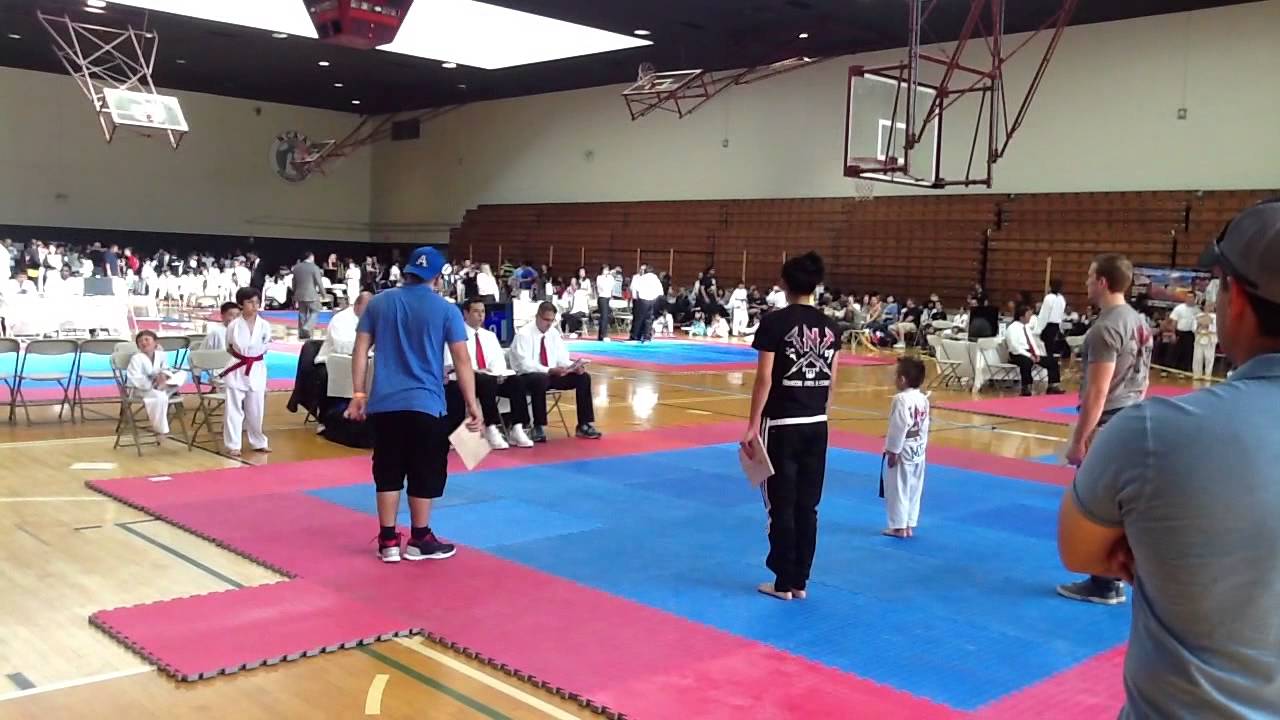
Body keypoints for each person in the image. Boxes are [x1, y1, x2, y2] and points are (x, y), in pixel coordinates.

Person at [1059, 200, 1280, 719]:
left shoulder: (1153, 429)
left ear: (1236, 299)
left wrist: (1082, 438)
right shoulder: (1137, 321)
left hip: (1127, 428)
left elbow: (1080, 549)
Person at [344, 247, 483, 563]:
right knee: (424, 470)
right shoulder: (446, 310)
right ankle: (420, 538)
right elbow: (462, 360)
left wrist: (359, 394)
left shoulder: (379, 302)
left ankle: (388, 540)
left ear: (407, 271)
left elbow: (360, 349)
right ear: (437, 277)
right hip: (426, 404)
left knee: (388, 469)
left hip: (385, 404)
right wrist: (472, 403)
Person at [1057, 253, 1152, 605]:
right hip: (1133, 414)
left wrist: (1080, 439)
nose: (1085, 284)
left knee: (1097, 503)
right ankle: (1115, 576)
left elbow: (1098, 391)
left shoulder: (1106, 329)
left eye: (1089, 277)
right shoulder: (1140, 322)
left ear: (1102, 282)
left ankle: (1104, 581)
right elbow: (1144, 379)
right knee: (1120, 502)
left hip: (1110, 418)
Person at [742, 252, 838, 601]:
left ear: (784, 283)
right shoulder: (832, 327)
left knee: (780, 504)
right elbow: (832, 380)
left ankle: (783, 582)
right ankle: (800, 581)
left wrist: (753, 424)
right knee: (808, 506)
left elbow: (764, 378)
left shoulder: (775, 323)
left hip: (782, 423)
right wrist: (820, 413)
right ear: (817, 284)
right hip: (817, 422)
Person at [445, 298, 535, 450]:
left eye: (483, 312)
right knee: (486, 380)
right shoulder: (456, 335)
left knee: (516, 381)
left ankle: (517, 427)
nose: (480, 315)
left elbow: (497, 360)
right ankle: (491, 426)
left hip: (490, 378)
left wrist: (499, 373)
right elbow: (452, 364)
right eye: (476, 312)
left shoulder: (489, 336)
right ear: (465, 313)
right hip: (466, 379)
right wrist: (477, 371)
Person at [511, 301, 602, 442]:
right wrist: (549, 370)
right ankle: (538, 426)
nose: (549, 324)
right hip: (528, 376)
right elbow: (524, 364)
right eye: (546, 320)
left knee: (583, 377)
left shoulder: (553, 333)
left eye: (552, 320)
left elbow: (562, 358)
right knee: (540, 379)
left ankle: (584, 424)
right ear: (537, 316)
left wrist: (573, 366)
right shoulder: (524, 334)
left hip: (552, 374)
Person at [221, 287, 272, 457]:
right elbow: (229, 347)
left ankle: (258, 441)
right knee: (233, 409)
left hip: (257, 367)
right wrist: (242, 358)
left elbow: (266, 346)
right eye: (250, 302)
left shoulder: (265, 325)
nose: (254, 305)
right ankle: (233, 445)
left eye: (257, 302)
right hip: (237, 367)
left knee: (256, 408)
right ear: (241, 304)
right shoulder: (234, 325)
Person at [882, 357, 929, 539]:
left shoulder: (901, 399)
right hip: (918, 448)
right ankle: (909, 523)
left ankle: (898, 527)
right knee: (914, 488)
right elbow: (924, 425)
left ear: (902, 379)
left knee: (898, 488)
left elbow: (899, 426)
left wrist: (892, 451)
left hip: (903, 449)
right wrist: (922, 446)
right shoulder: (923, 398)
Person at [126, 330, 184, 437]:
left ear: (155, 343)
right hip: (141, 389)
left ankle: (164, 386)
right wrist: (153, 380)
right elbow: (135, 377)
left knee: (182, 373)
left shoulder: (161, 355)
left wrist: (164, 374)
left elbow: (166, 368)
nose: (144, 342)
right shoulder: (136, 358)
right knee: (160, 396)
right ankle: (161, 431)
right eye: (140, 341)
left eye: (147, 339)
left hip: (162, 385)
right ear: (138, 346)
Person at [1006, 304, 1065, 396]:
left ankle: (1053, 386)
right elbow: (1014, 346)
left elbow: (1032, 342)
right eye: (1028, 315)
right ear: (1021, 316)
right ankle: (1026, 387)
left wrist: (1036, 354)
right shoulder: (1012, 328)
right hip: (1017, 353)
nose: (1030, 317)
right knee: (1026, 362)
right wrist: (1030, 355)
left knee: (1052, 361)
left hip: (1030, 352)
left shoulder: (1026, 327)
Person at [316, 290, 369, 365]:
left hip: (354, 362)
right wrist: (368, 344)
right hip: (329, 364)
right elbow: (341, 347)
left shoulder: (369, 320)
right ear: (356, 305)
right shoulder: (341, 318)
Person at [291, 252, 325, 340]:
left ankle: (302, 334)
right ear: (311, 257)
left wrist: (294, 293)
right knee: (315, 311)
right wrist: (323, 294)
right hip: (311, 294)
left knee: (302, 313)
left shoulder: (296, 267)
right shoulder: (314, 267)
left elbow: (293, 282)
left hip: (299, 294)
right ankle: (307, 327)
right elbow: (319, 282)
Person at [1038, 278, 1067, 358]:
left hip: (1048, 326)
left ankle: (1047, 363)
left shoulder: (1049, 298)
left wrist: (1039, 328)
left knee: (1046, 349)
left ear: (1050, 287)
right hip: (1056, 326)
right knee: (1051, 349)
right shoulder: (1062, 299)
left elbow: (1044, 314)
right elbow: (1061, 314)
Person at [1168, 296, 1198, 371]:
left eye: (1191, 298)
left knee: (1187, 352)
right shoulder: (1179, 308)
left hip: (1190, 334)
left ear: (1195, 299)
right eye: (1188, 297)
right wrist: (1173, 333)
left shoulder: (1197, 310)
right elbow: (1174, 321)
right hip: (1179, 332)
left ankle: (1183, 370)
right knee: (1173, 351)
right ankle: (1167, 369)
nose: (1189, 299)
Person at [1192, 300, 1218, 379]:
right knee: (1197, 357)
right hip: (1199, 337)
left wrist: (1207, 325)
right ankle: (1197, 373)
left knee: (1209, 357)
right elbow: (1194, 327)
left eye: (1210, 305)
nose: (1208, 307)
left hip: (1210, 338)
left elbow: (1215, 328)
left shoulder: (1216, 317)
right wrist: (1200, 325)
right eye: (1207, 305)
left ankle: (1208, 374)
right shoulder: (1198, 315)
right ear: (1203, 306)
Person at [595, 263, 615, 341]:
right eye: (605, 269)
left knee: (606, 316)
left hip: (608, 298)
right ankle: (603, 335)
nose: (606, 271)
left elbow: (611, 286)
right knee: (604, 316)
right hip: (602, 298)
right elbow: (602, 287)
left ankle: (601, 335)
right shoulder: (599, 277)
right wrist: (605, 277)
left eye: (607, 269)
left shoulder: (610, 277)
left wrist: (610, 276)